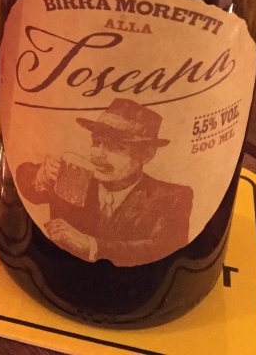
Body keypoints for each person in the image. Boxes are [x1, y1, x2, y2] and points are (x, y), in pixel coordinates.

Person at [15, 98, 193, 266]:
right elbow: (24, 177)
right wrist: (40, 176)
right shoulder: (75, 177)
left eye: (117, 147)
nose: (99, 154)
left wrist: (91, 246)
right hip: (56, 270)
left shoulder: (170, 198)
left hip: (138, 282)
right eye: (97, 142)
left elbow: (163, 247)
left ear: (147, 155)